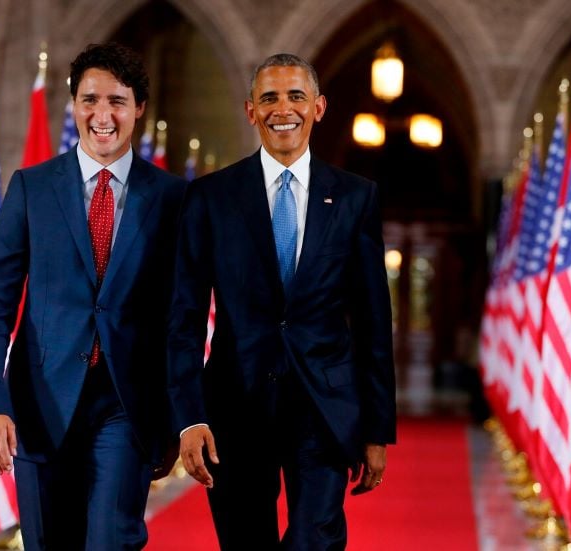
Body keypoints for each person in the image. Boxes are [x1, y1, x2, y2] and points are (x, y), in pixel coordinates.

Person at [167, 53, 396, 549]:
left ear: (319, 107)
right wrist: (189, 416)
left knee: (314, 539)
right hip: (234, 408)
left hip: (325, 408)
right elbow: (182, 319)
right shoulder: (209, 197)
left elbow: (374, 321)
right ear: (251, 111)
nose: (282, 108)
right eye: (269, 97)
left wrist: (377, 430)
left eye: (296, 96)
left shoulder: (356, 197)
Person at [0, 43, 185, 550]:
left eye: (116, 101)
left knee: (111, 538)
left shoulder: (174, 198)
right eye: (89, 99)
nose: (102, 115)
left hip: (127, 406)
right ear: (72, 105)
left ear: (139, 109)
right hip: (40, 408)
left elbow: (183, 315)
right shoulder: (32, 188)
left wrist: (180, 414)